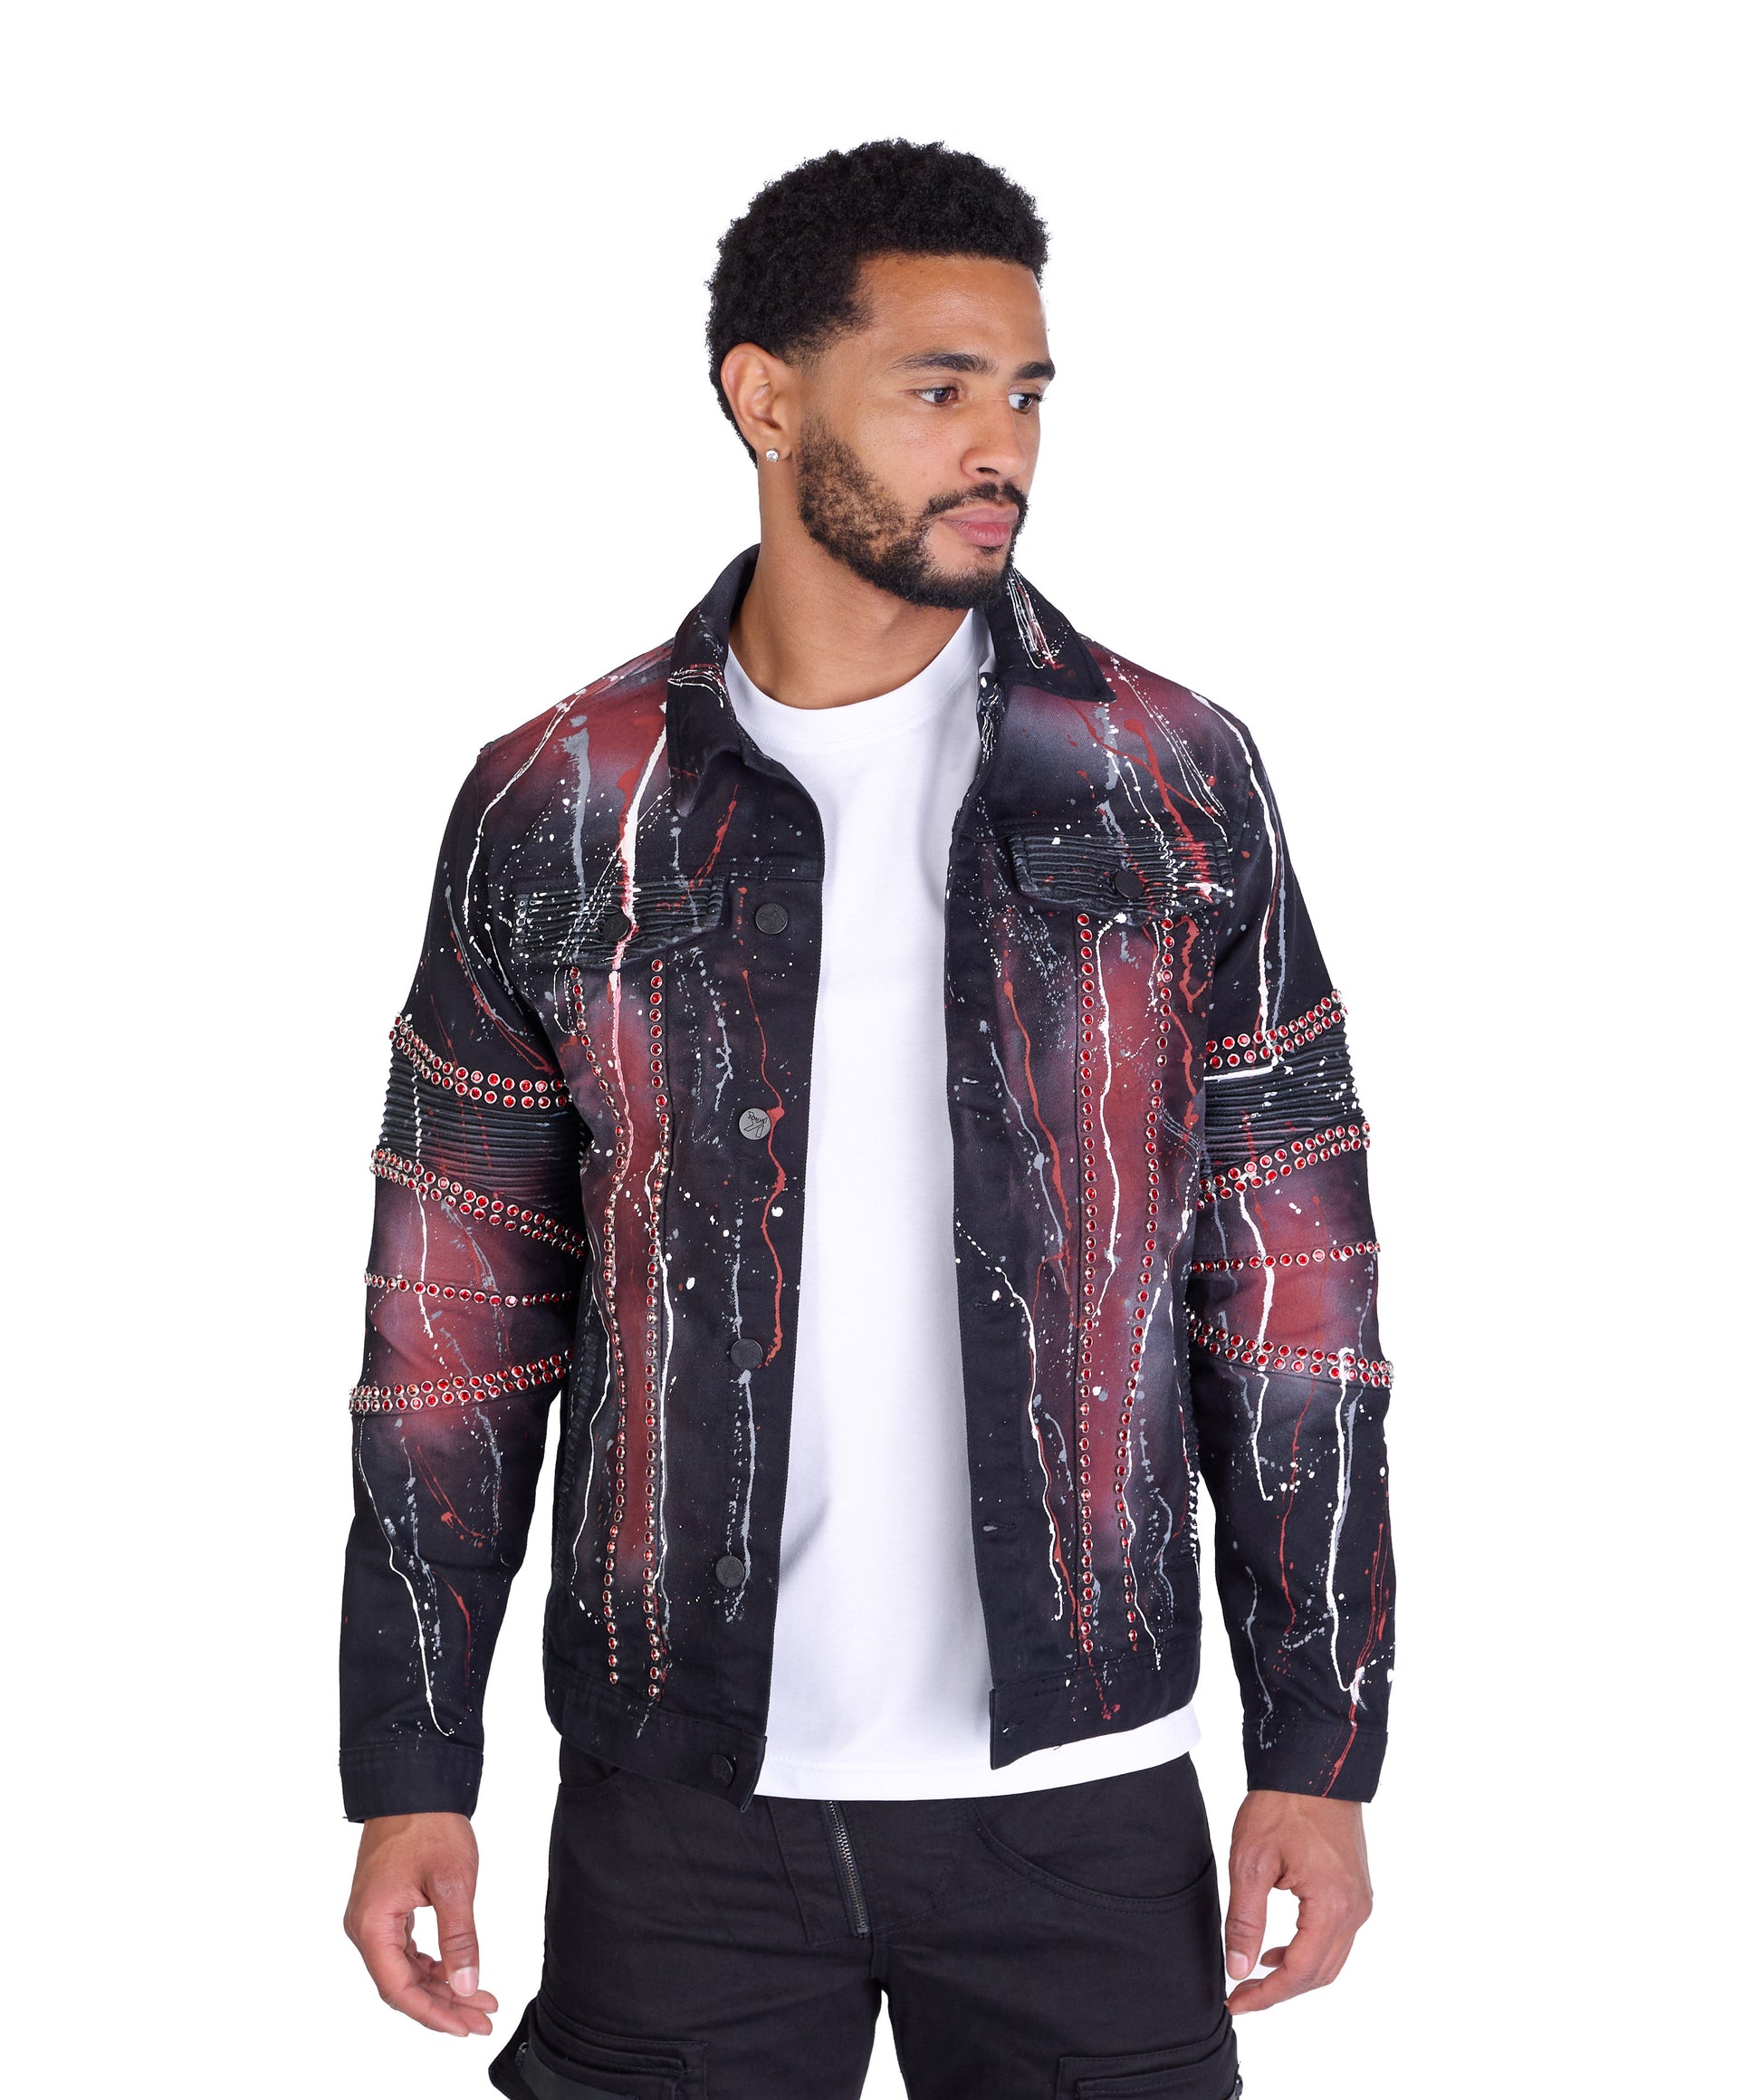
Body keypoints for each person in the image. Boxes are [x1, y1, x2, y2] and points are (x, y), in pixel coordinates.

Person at [340, 139, 1394, 2100]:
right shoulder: (561, 796)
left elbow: (1294, 1296)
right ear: (765, 398)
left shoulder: (1168, 774)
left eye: (1027, 394)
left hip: (1084, 1798)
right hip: (681, 1798)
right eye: (936, 387)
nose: (1000, 446)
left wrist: (1319, 1748)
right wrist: (414, 1764)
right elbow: (453, 1327)